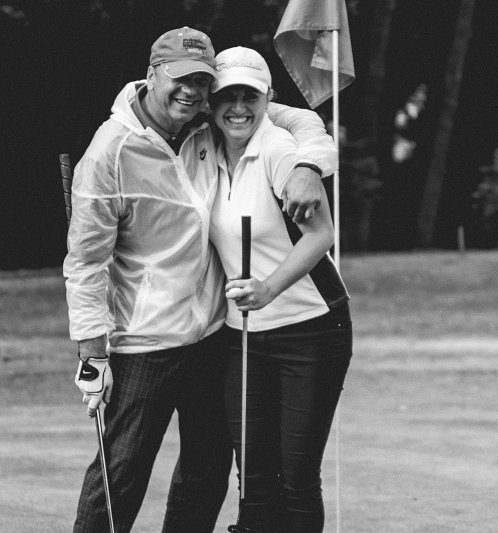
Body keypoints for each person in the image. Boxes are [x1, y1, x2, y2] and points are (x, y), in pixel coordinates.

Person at [65, 27, 337, 533]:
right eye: (181, 79)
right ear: (152, 75)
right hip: (145, 339)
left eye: (200, 82)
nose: (191, 92)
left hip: (212, 333)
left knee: (206, 469)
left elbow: (297, 118)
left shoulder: (204, 123)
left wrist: (309, 163)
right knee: (121, 472)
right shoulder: (110, 152)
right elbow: (85, 262)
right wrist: (91, 350)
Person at [207, 46, 352, 533]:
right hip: (241, 334)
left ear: (267, 98)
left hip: (310, 328)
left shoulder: (279, 149)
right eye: (227, 96)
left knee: (296, 477)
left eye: (249, 96)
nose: (238, 108)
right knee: (252, 476)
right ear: (211, 101)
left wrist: (268, 288)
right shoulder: (203, 148)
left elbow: (321, 234)